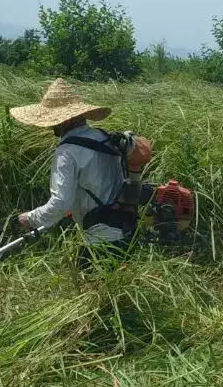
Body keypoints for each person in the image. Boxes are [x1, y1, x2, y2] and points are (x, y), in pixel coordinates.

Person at [9, 79, 131, 257]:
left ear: (63, 121)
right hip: (126, 229)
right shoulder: (103, 137)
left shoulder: (67, 152)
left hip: (101, 241)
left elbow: (60, 202)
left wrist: (29, 219)